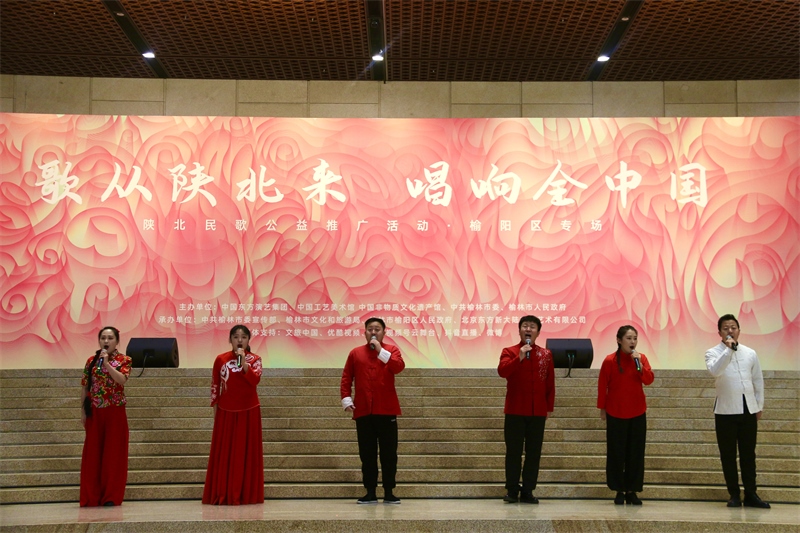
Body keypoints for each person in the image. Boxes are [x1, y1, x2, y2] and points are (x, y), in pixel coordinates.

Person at [705, 314, 770, 509]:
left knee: (748, 454)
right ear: (719, 332)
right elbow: (715, 371)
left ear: (739, 330)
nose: (730, 331)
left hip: (748, 409)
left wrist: (758, 406)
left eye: (733, 327)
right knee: (728, 455)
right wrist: (728, 350)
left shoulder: (750, 353)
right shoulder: (712, 353)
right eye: (726, 328)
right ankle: (734, 494)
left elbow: (757, 380)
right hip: (725, 410)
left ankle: (751, 494)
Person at [340, 317, 405, 504]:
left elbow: (398, 367)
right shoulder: (355, 353)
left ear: (384, 332)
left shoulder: (391, 350)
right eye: (370, 329)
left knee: (389, 454)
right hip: (363, 412)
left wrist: (380, 351)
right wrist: (346, 398)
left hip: (387, 411)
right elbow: (347, 377)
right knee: (367, 455)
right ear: (364, 332)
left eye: (377, 329)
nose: (373, 332)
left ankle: (389, 492)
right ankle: (370, 492)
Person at [203, 325, 264, 505]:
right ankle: (223, 491)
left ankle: (246, 493)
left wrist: (243, 363)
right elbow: (215, 386)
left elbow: (255, 380)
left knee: (246, 454)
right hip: (226, 411)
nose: (239, 340)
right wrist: (215, 410)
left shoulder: (255, 360)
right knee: (225, 455)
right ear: (230, 339)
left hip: (249, 411)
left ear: (248, 340)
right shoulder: (220, 359)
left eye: (243, 337)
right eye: (236, 337)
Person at [497, 315, 555, 504]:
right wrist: (519, 357)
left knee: (533, 453)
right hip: (515, 410)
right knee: (513, 452)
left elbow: (550, 383)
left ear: (538, 332)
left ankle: (528, 490)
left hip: (537, 411)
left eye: (532, 327)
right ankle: (512, 490)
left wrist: (548, 407)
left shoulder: (546, 354)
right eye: (525, 326)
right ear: (519, 330)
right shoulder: (509, 351)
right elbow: (503, 371)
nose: (528, 329)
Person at [597, 325, 654, 505]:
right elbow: (602, 386)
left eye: (635, 338)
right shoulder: (609, 360)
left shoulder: (641, 358)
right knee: (616, 452)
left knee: (635, 453)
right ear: (619, 340)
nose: (632, 342)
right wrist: (602, 408)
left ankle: (632, 490)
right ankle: (619, 490)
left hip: (637, 412)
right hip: (615, 411)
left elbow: (649, 380)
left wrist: (640, 366)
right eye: (629, 338)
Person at [80, 326, 131, 507]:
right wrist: (83, 411)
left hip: (115, 411)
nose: (106, 341)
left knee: (113, 454)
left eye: (110, 338)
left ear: (117, 341)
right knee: (93, 455)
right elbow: (85, 386)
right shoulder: (91, 360)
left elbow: (122, 380)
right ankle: (92, 496)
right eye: (103, 338)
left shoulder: (124, 360)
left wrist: (108, 364)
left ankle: (110, 496)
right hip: (95, 411)